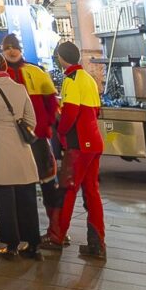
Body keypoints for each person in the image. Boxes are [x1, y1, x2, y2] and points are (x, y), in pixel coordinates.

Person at [0, 31, 47, 257]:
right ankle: (33, 243)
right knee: (27, 195)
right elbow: (31, 120)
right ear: (5, 67)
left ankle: (12, 245)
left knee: (5, 198)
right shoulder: (19, 88)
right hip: (22, 148)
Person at [43, 39, 106, 258]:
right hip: (94, 143)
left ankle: (56, 237)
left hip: (78, 145)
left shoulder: (71, 80)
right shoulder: (88, 78)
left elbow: (70, 113)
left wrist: (60, 131)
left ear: (61, 59)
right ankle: (97, 244)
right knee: (92, 192)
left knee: (67, 190)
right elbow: (96, 111)